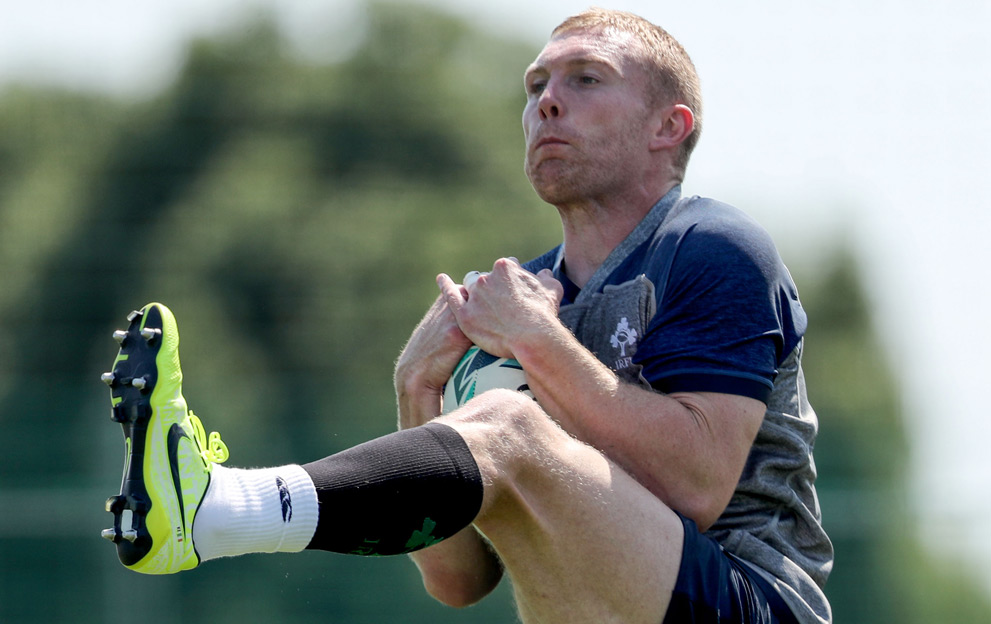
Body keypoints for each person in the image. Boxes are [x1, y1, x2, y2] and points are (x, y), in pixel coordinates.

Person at [100, 8, 832, 624]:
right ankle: (211, 511)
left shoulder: (711, 246)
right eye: (536, 85)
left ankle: (221, 506)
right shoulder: (526, 292)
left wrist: (537, 342)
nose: (547, 102)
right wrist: (416, 390)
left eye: (586, 79)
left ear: (668, 127)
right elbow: (459, 580)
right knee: (507, 431)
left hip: (754, 603)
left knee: (513, 426)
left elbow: (695, 487)